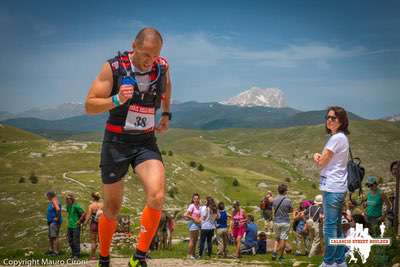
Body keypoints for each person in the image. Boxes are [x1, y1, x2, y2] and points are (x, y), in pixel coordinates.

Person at [85, 27, 172, 267]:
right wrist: (116, 99)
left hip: (145, 142)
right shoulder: (113, 68)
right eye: (145, 54)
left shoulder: (161, 66)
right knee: (112, 208)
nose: (149, 61)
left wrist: (165, 114)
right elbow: (89, 105)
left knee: (157, 195)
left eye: (155, 56)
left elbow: (167, 87)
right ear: (134, 46)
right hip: (116, 143)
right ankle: (104, 256)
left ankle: (139, 256)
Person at [313, 106, 350, 267]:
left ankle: (328, 262)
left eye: (333, 118)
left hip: (332, 187)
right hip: (338, 187)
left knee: (329, 227)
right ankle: (340, 261)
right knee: (336, 226)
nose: (329, 120)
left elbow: (322, 162)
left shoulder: (336, 139)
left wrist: (316, 157)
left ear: (341, 121)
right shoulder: (342, 137)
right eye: (327, 117)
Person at [271, 184, 292, 261]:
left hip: (276, 221)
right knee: (283, 239)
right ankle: (280, 256)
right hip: (285, 221)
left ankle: (274, 251)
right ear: (285, 191)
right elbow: (290, 210)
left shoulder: (274, 199)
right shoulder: (288, 200)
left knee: (277, 238)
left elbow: (273, 208)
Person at [84, 192, 104, 260]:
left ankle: (93, 256)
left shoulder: (91, 206)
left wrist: (85, 223)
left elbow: (88, 216)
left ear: (93, 198)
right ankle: (103, 255)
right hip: (102, 224)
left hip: (94, 224)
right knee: (101, 240)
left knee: (93, 241)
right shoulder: (103, 205)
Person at [65, 193, 85, 259]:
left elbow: (83, 213)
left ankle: (77, 254)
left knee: (75, 240)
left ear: (72, 199)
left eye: (69, 199)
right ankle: (73, 253)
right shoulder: (68, 206)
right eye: (66, 199)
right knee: (70, 240)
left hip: (76, 226)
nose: (67, 200)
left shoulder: (76, 206)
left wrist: (79, 221)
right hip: (69, 226)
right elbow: (69, 214)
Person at [184, 193, 201, 259]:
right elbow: (186, 214)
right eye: (195, 198)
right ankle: (189, 254)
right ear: (193, 199)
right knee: (192, 240)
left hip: (197, 225)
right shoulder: (192, 206)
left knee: (196, 240)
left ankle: (193, 255)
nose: (196, 200)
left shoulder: (199, 206)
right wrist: (193, 218)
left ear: (199, 199)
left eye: (197, 198)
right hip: (193, 224)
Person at [46, 191, 62, 256]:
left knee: (54, 237)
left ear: (50, 196)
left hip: (54, 222)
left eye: (47, 196)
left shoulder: (54, 201)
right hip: (51, 222)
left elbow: (58, 209)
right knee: (50, 236)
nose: (47, 198)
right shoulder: (54, 200)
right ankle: (51, 250)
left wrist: (57, 218)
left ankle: (56, 252)